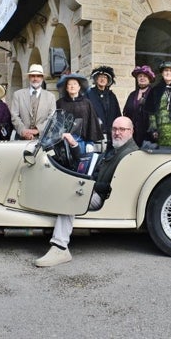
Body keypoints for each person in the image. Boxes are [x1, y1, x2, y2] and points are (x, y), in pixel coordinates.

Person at [35, 116, 139, 267]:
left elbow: (117, 186)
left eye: (122, 129)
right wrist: (74, 145)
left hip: (103, 196)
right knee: (67, 184)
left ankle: (60, 247)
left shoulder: (130, 154)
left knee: (71, 197)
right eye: (115, 129)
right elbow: (95, 160)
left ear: (131, 131)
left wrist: (91, 184)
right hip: (98, 188)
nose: (117, 133)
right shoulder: (118, 148)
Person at [56, 73, 103, 150]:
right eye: (69, 84)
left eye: (75, 84)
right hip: (64, 142)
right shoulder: (60, 103)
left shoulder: (86, 103)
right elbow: (57, 123)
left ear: (79, 87)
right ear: (66, 88)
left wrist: (90, 142)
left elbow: (92, 122)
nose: (72, 86)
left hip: (83, 142)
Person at [145, 61, 171, 147]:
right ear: (162, 73)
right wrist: (153, 129)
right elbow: (151, 112)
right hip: (161, 128)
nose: (168, 73)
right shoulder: (155, 90)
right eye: (166, 70)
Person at [10, 64, 56, 140]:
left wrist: (38, 130)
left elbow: (52, 118)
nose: (35, 79)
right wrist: (23, 131)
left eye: (38, 76)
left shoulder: (50, 96)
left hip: (43, 139)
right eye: (33, 76)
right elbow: (14, 116)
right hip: (21, 139)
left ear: (42, 78)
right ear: (29, 77)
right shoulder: (18, 94)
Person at [86, 65, 121, 145]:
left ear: (108, 80)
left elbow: (117, 114)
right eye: (100, 77)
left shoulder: (111, 96)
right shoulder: (88, 94)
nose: (102, 79)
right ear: (96, 79)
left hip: (110, 135)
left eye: (105, 77)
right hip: (94, 134)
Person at [122, 65, 156, 147]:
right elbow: (126, 112)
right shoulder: (132, 94)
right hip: (133, 134)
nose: (142, 78)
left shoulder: (154, 93)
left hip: (148, 134)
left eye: (145, 76)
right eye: (140, 76)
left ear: (149, 79)